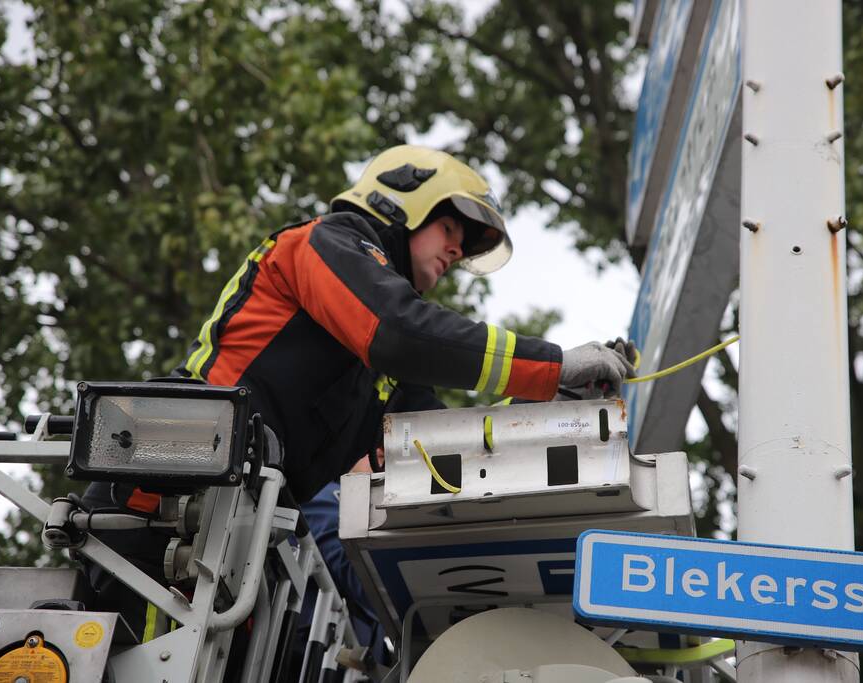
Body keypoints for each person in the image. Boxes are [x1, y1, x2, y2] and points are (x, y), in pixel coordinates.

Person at [79, 145, 635, 645]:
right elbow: (398, 329)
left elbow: (443, 455)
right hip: (169, 498)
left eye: (464, 245)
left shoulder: (384, 370)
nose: (456, 250)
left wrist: (554, 402)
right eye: (451, 228)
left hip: (246, 536)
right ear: (405, 198)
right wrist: (550, 363)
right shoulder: (324, 242)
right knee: (142, 659)